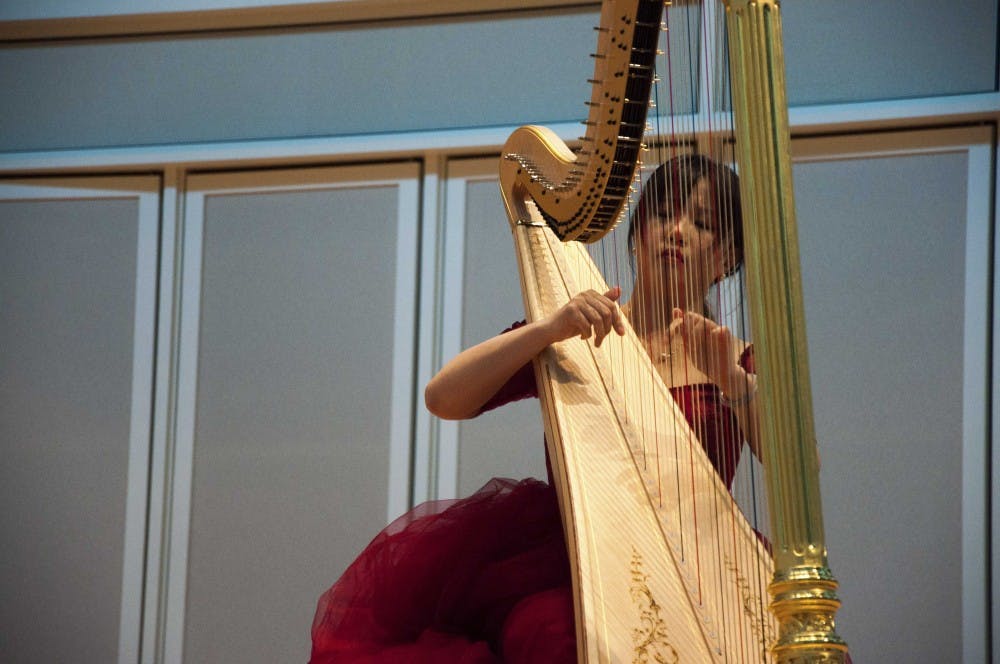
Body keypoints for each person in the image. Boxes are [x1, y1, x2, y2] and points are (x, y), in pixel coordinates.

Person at [309, 154, 758, 664]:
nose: (676, 231)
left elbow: (796, 465)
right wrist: (545, 330)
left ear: (727, 258)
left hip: (707, 573)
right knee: (548, 635)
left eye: (701, 223)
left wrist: (730, 380)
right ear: (635, 236)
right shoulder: (579, 331)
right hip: (576, 562)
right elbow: (443, 397)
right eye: (662, 214)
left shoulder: (737, 357)